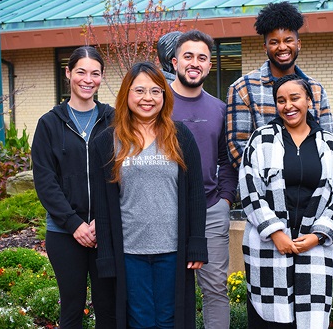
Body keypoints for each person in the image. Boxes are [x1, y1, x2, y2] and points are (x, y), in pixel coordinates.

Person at [90, 62, 208, 329]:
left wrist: (197, 243)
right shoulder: (107, 142)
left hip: (173, 250)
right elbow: (103, 207)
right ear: (126, 95)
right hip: (130, 252)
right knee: (140, 321)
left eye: (156, 91)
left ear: (164, 96)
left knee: (169, 320)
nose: (148, 98)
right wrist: (107, 257)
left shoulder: (180, 136)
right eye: (140, 90)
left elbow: (195, 195)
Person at [239, 74, 333, 329]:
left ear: (309, 100)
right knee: (271, 322)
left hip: (314, 247)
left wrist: (319, 236)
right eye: (281, 100)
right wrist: (275, 233)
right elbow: (249, 190)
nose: (288, 106)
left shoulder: (329, 144)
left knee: (310, 320)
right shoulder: (261, 138)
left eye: (295, 98)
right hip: (269, 247)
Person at [32, 45, 116, 329]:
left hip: (106, 232)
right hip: (64, 234)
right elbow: (45, 181)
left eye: (94, 73)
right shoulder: (49, 124)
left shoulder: (114, 121)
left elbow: (122, 174)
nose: (87, 79)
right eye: (81, 71)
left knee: (109, 308)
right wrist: (74, 224)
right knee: (71, 307)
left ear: (102, 77)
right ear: (68, 73)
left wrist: (101, 222)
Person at [169, 29, 238, 329]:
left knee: (215, 290)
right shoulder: (157, 102)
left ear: (210, 66)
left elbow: (227, 159)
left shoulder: (219, 109)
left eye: (202, 58)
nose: (194, 63)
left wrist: (225, 200)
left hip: (210, 210)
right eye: (188, 56)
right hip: (165, 212)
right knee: (171, 291)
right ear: (174, 62)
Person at [227, 1, 333, 169]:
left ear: (298, 44)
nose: (282, 47)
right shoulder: (243, 88)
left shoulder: (316, 89)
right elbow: (237, 147)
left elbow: (328, 139)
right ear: (265, 47)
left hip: (311, 186)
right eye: (274, 42)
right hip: (263, 188)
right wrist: (275, 179)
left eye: (288, 40)